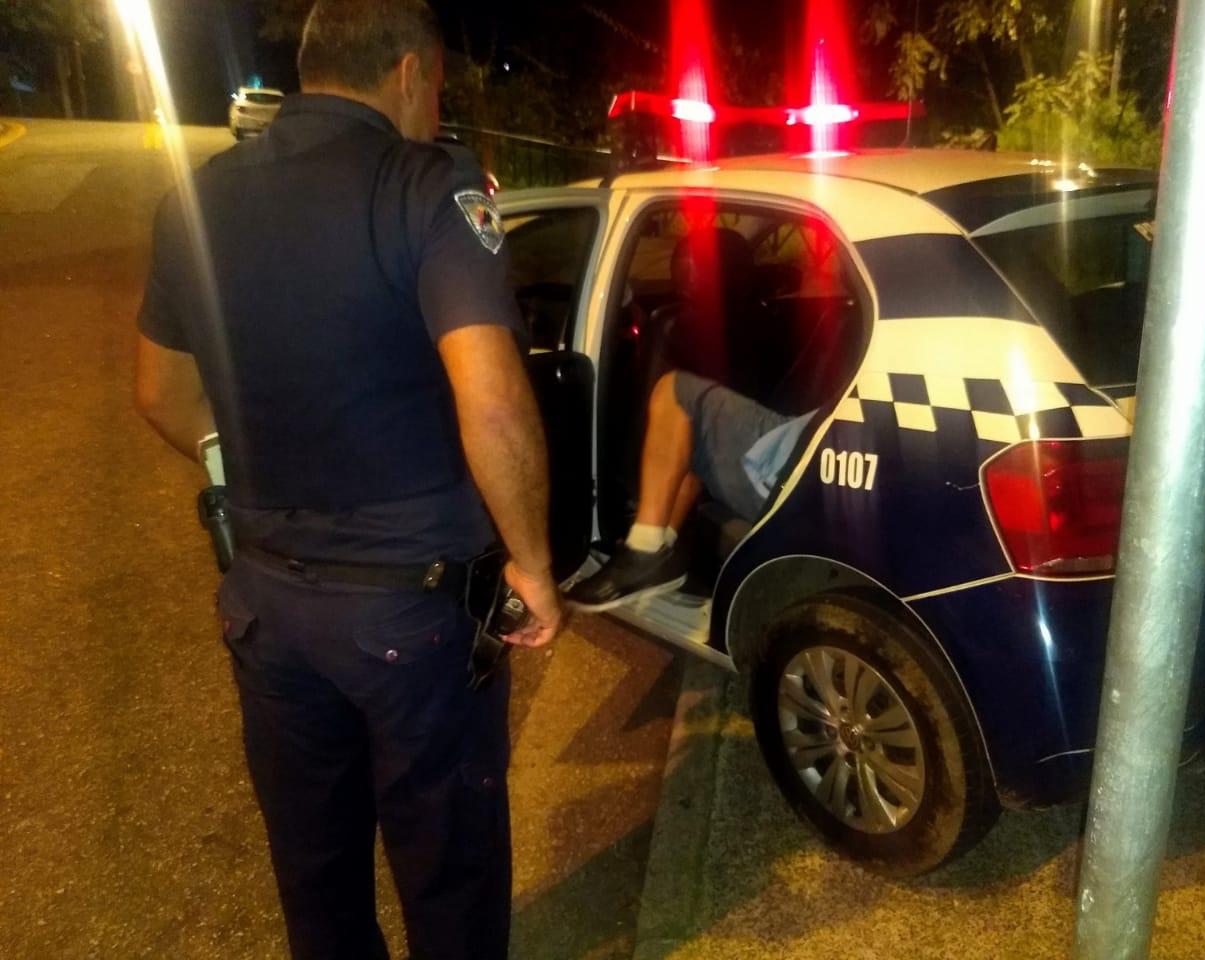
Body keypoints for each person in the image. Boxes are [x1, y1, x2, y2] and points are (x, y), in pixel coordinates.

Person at [133, 2, 563, 957]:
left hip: (267, 607)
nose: (434, 109)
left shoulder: (195, 200)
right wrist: (532, 566)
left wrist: (255, 468)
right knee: (448, 877)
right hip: (413, 612)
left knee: (317, 879)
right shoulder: (427, 185)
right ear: (409, 72)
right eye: (437, 88)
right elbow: (493, 404)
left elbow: (160, 394)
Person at [567, 368, 815, 612]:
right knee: (693, 432)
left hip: (798, 469)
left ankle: (644, 547)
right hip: (813, 478)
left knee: (677, 392)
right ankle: (663, 552)